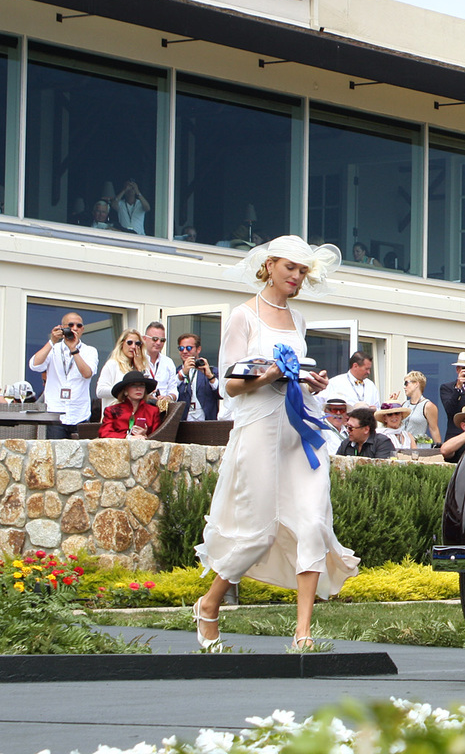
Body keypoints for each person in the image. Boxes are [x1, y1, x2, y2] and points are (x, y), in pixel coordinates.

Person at [193, 235, 357, 652]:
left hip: (300, 428)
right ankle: (209, 605)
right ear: (269, 265)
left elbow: (300, 375)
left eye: (303, 272)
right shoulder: (242, 317)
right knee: (258, 531)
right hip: (259, 429)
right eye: (291, 268)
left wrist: (312, 382)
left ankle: (303, 633)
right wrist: (267, 377)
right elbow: (230, 385)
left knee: (313, 522)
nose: (297, 277)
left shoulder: (299, 320)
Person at [27, 311, 97, 439]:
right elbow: (34, 365)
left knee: (80, 457)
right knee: (56, 456)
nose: (75, 328)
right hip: (55, 413)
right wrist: (52, 341)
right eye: (70, 325)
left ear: (83, 329)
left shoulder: (89, 351)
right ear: (62, 327)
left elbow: (87, 373)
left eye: (79, 325)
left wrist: (74, 350)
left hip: (79, 413)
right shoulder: (53, 348)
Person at [173, 333, 222, 421]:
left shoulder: (211, 371)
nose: (184, 351)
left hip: (206, 422)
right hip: (183, 423)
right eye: (181, 348)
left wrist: (210, 376)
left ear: (198, 349)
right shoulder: (175, 373)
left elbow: (222, 394)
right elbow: (170, 391)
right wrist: (182, 374)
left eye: (189, 348)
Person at [99, 370, 161, 438]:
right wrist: (129, 437)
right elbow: (104, 433)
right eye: (133, 385)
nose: (138, 388)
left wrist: (145, 435)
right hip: (118, 447)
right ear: (125, 390)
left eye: (142, 385)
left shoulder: (153, 411)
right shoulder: (111, 410)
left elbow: (158, 437)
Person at [95, 329, 149, 404]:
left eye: (137, 343)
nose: (133, 346)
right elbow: (100, 391)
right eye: (129, 343)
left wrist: (140, 368)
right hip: (116, 412)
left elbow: (148, 391)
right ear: (122, 344)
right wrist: (123, 390)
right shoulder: (113, 364)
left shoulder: (142, 366)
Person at [391, 371, 440, 441]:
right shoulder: (404, 404)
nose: (404, 387)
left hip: (416, 448)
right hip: (400, 446)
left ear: (416, 384)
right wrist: (392, 405)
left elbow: (434, 429)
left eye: (406, 383)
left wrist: (439, 448)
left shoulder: (427, 406)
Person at [142, 321, 180, 404]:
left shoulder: (168, 362)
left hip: (162, 410)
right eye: (155, 339)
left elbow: (174, 391)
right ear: (144, 339)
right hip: (142, 408)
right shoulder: (137, 360)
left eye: (162, 340)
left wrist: (168, 397)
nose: (158, 343)